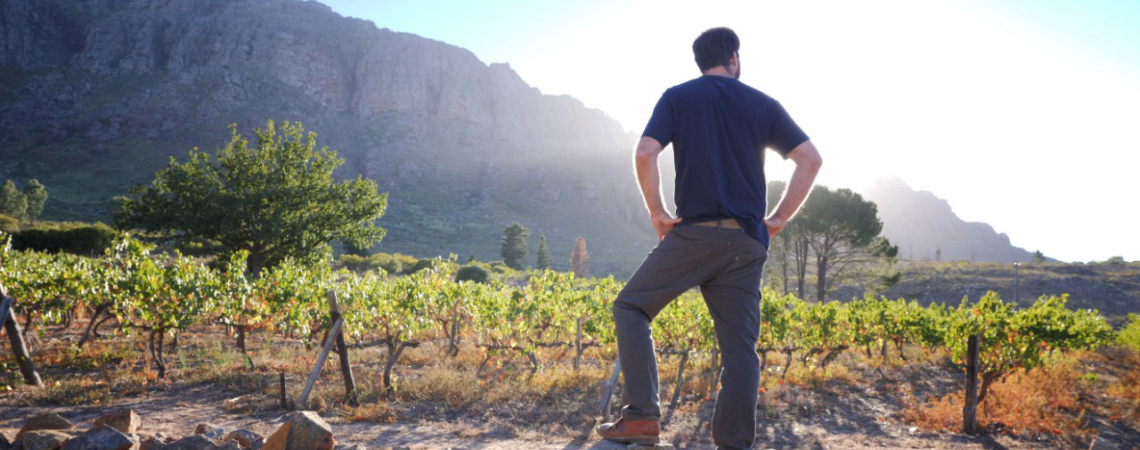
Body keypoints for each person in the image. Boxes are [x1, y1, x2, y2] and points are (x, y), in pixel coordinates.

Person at [596, 27, 822, 450]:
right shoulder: (763, 104)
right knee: (740, 350)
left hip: (694, 236)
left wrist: (658, 214)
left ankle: (642, 418)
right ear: (734, 58)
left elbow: (645, 153)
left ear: (700, 62)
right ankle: (734, 443)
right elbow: (810, 159)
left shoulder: (678, 97)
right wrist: (777, 220)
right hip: (747, 243)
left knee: (630, 307)